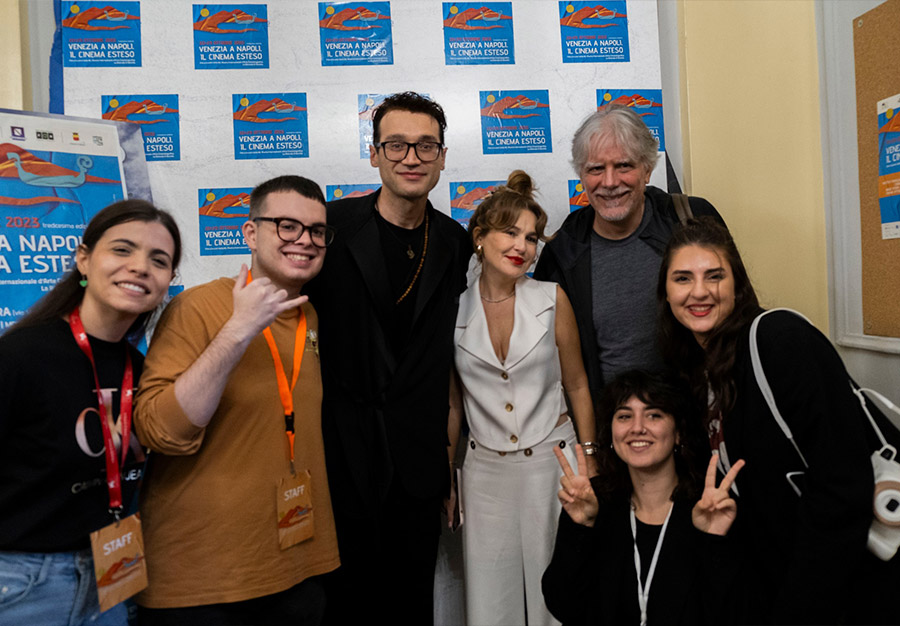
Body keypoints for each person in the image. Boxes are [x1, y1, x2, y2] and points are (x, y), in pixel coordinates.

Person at [657, 217, 887, 625]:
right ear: (666, 293)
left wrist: (798, 607)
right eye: (682, 278)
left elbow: (842, 484)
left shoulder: (780, 339)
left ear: (737, 284)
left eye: (715, 276)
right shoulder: (697, 372)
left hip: (842, 587)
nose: (699, 291)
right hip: (779, 585)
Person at [134, 176, 339, 625]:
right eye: (287, 226)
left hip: (293, 570)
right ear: (250, 233)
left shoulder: (308, 316)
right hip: (203, 585)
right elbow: (161, 431)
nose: (305, 240)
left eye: (317, 230)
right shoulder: (199, 307)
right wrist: (239, 330)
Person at [305, 91, 471, 625]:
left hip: (418, 467)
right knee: (341, 609)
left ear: (442, 157)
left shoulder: (455, 242)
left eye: (426, 146)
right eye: (396, 144)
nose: (411, 157)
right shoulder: (330, 228)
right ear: (374, 154)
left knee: (411, 607)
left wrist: (447, 464)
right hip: (339, 457)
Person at [0, 199, 181, 625]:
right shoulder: (22, 356)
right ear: (83, 259)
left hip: (110, 575)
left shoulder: (142, 369)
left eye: (158, 260)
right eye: (122, 250)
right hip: (22, 581)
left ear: (168, 281)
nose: (140, 267)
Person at [451, 170, 597, 626]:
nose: (522, 247)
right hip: (483, 476)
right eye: (510, 233)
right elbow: (453, 403)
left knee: (558, 599)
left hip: (553, 467)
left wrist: (589, 458)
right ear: (480, 238)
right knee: (491, 605)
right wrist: (446, 476)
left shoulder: (552, 299)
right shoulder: (454, 309)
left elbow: (577, 385)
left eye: (531, 238)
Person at [533, 105, 724, 409]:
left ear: (647, 170)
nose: (610, 182)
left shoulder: (691, 220)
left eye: (623, 166)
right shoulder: (563, 252)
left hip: (695, 421)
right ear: (581, 175)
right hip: (608, 426)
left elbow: (737, 315)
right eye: (596, 169)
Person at [542, 370, 744, 626]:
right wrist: (579, 528)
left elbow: (736, 613)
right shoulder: (595, 503)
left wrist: (714, 543)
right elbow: (563, 606)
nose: (637, 428)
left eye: (654, 415)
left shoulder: (709, 507)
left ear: (678, 433)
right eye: (624, 416)